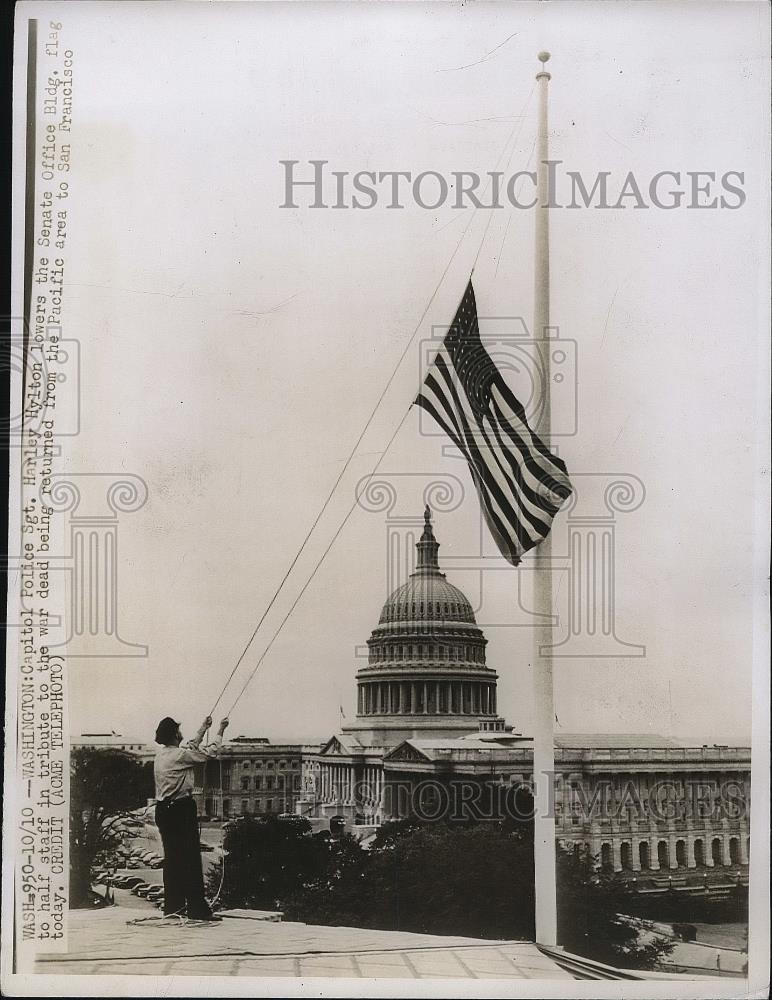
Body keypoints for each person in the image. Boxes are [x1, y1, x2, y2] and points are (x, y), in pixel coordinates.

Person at [153, 713, 228, 920]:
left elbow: (190, 747)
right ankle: (197, 909)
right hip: (180, 809)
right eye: (178, 730)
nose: (181, 733)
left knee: (173, 860)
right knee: (191, 859)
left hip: (163, 810)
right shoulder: (178, 756)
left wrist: (204, 727)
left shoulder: (162, 754)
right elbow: (208, 754)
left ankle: (173, 908)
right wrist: (220, 731)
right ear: (175, 734)